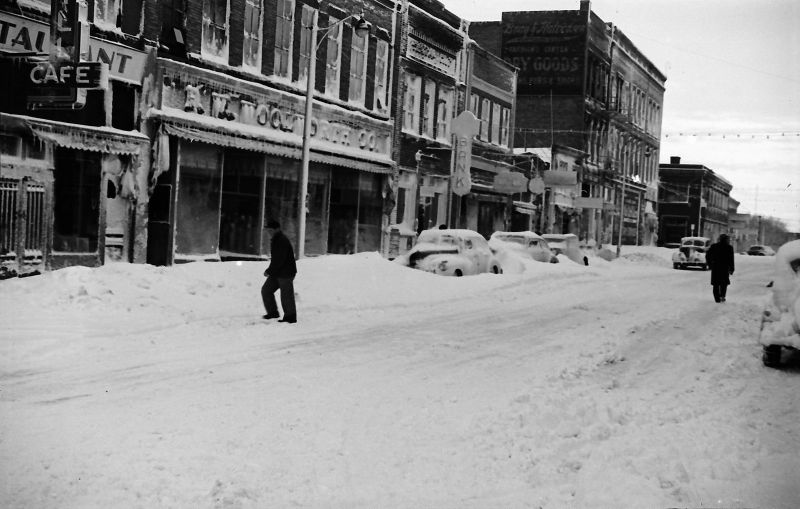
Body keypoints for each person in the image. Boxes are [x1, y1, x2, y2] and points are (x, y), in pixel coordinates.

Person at [261, 220, 297, 323]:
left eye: (271, 230)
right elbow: (277, 260)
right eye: (268, 230)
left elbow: (279, 259)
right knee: (266, 290)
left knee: (286, 295)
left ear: (277, 229)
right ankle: (273, 313)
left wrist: (269, 271)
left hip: (286, 272)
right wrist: (272, 271)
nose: (269, 232)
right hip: (278, 272)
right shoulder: (276, 239)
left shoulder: (281, 240)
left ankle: (290, 316)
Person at [706, 233, 735, 303]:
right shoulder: (729, 248)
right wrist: (732, 268)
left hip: (716, 267)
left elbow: (707, 256)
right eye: (728, 239)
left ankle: (717, 299)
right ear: (725, 240)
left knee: (716, 284)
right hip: (725, 268)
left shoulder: (714, 246)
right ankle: (722, 296)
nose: (729, 241)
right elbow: (731, 259)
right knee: (723, 284)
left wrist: (710, 264)